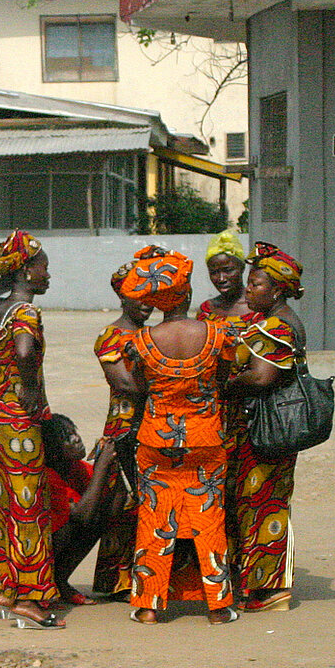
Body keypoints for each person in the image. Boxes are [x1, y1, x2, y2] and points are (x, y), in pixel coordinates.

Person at [120, 246, 238, 625]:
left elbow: (139, 388)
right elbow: (223, 381)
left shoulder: (139, 343)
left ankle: (148, 607)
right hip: (206, 439)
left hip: (156, 440)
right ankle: (219, 608)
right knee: (209, 518)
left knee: (154, 518)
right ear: (186, 294)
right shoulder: (219, 334)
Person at [0, 229, 65, 630]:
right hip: (18, 419)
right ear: (25, 270)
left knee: (3, 502)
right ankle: (32, 598)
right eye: (43, 268)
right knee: (30, 506)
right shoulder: (24, 312)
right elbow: (24, 351)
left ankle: (8, 586)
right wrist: (30, 388)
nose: (48, 275)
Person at [225, 241, 306, 612]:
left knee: (263, 503)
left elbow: (262, 378)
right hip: (262, 428)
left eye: (255, 284)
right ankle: (259, 585)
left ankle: (270, 590)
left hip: (267, 429)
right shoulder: (272, 321)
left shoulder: (279, 326)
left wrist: (228, 383)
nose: (247, 289)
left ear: (277, 290)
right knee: (256, 501)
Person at [89, 263, 152, 599]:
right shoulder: (110, 336)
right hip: (124, 429)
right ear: (120, 294)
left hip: (153, 427)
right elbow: (124, 383)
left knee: (146, 506)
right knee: (120, 506)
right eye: (136, 294)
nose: (146, 301)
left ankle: (142, 579)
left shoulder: (152, 334)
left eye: (149, 294)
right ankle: (116, 582)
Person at [42, 414, 120, 605]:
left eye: (74, 432)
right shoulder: (49, 476)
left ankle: (60, 580)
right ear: (53, 451)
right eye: (67, 438)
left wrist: (114, 468)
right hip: (41, 547)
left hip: (58, 538)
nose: (76, 438)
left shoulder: (75, 467)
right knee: (75, 523)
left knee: (101, 516)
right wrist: (101, 467)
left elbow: (112, 507)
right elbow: (81, 514)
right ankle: (53, 581)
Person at [196, 230, 249, 321]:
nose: (221, 279)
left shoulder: (259, 308)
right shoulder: (206, 311)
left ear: (242, 268)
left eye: (228, 270)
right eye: (214, 272)